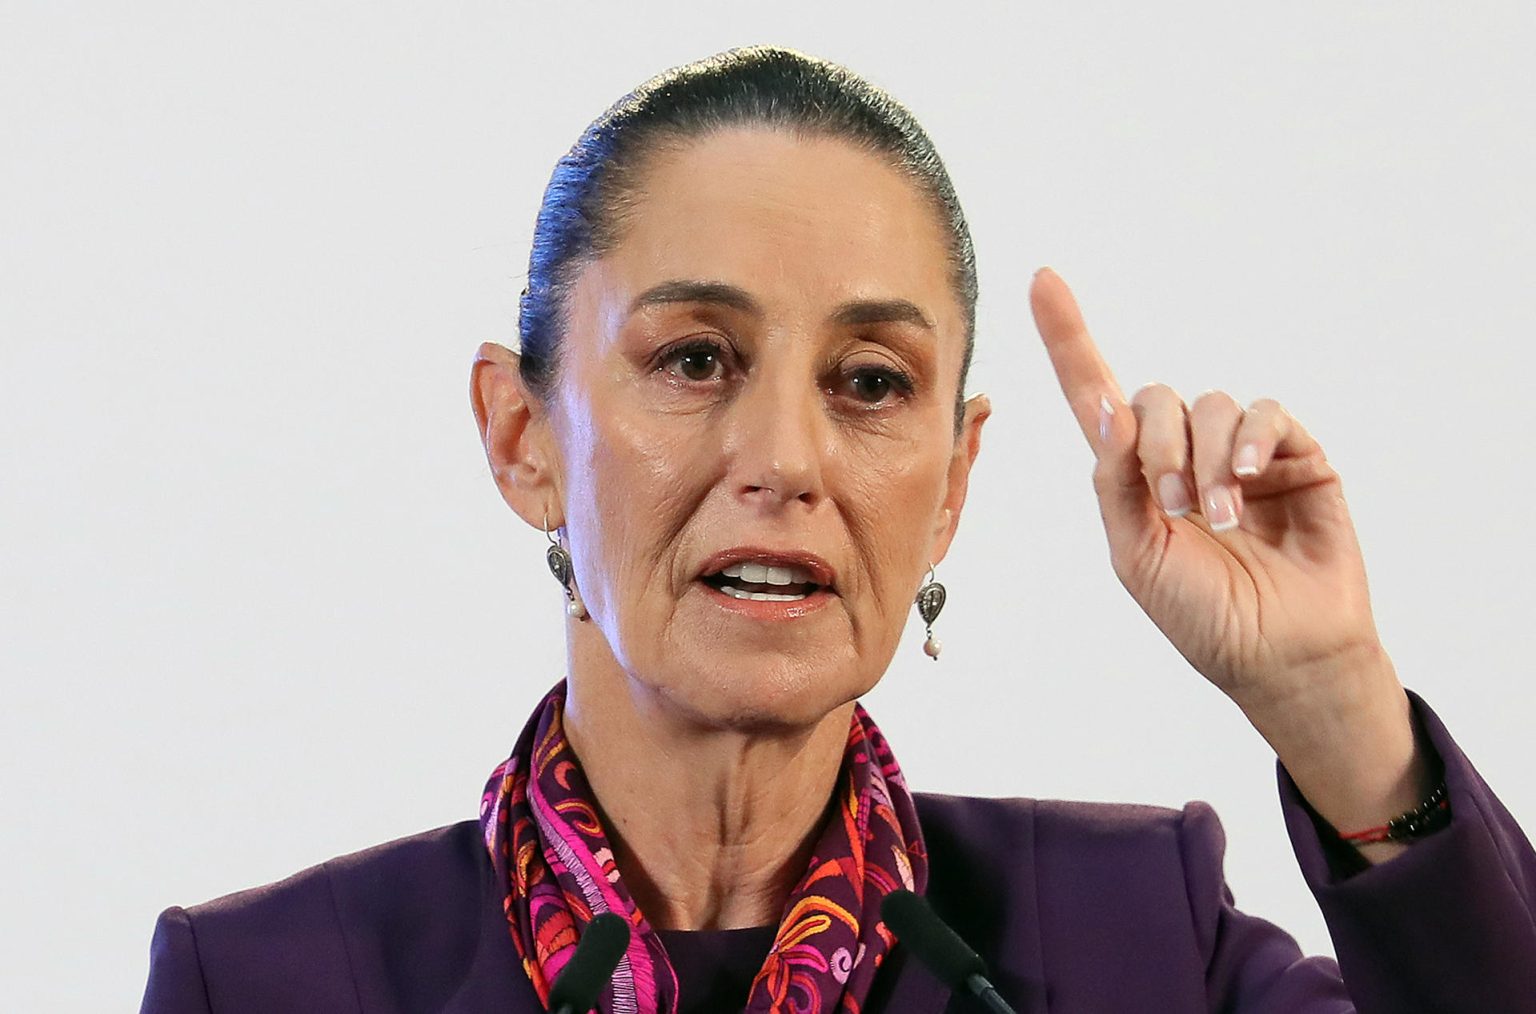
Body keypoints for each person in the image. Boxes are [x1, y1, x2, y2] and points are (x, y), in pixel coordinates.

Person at [139, 45, 1536, 1013]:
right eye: (695, 360)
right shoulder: (266, 976)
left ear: (949, 483)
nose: (787, 460)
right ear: (521, 438)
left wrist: (1331, 701)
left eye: (870, 383)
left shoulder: (1137, 930)